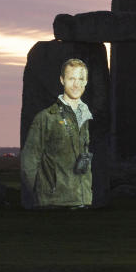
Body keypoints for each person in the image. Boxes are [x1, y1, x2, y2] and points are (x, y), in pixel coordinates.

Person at [21, 58, 94, 209]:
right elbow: (29, 161)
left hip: (83, 200)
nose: (76, 84)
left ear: (86, 81)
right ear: (62, 80)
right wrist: (41, 194)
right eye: (71, 78)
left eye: (81, 79)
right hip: (53, 203)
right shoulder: (46, 117)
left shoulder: (86, 116)